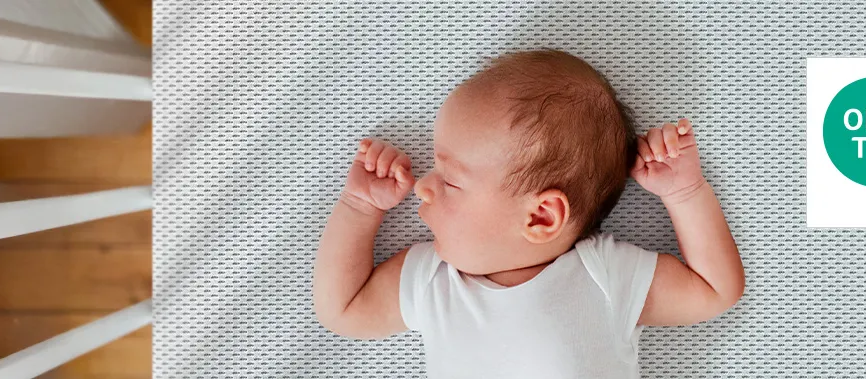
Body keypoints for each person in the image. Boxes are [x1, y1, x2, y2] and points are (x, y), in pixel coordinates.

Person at [313, 49, 744, 378]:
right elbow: (343, 309)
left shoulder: (602, 275)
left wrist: (685, 192)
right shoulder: (434, 278)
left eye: (450, 179)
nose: (422, 185)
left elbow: (713, 289)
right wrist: (359, 207)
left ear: (540, 217)